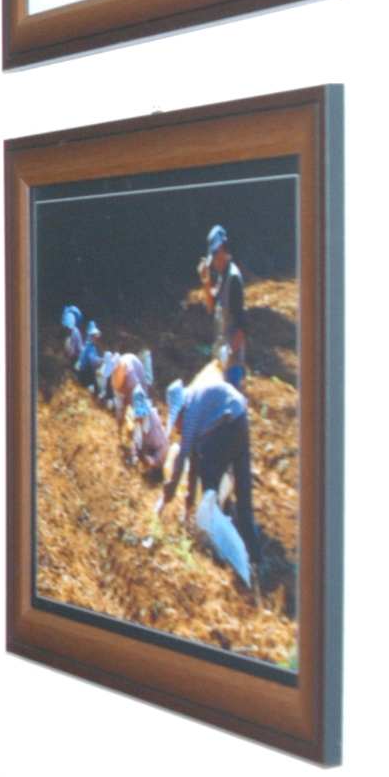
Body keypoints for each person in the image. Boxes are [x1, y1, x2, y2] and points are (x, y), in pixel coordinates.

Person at [157, 371, 257, 560]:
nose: (177, 426)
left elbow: (183, 458)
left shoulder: (190, 413)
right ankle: (255, 555)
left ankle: (214, 540)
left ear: (179, 411)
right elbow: (192, 460)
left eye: (176, 420)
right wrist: (188, 504)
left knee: (209, 480)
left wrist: (167, 494)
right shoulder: (195, 401)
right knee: (243, 488)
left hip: (230, 422)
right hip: (240, 418)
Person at [197, 224, 248, 384]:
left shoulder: (233, 278)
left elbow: (243, 327)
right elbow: (212, 309)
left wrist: (229, 351)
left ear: (220, 249)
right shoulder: (222, 276)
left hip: (232, 367)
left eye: (214, 257)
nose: (213, 264)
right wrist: (206, 281)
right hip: (221, 364)